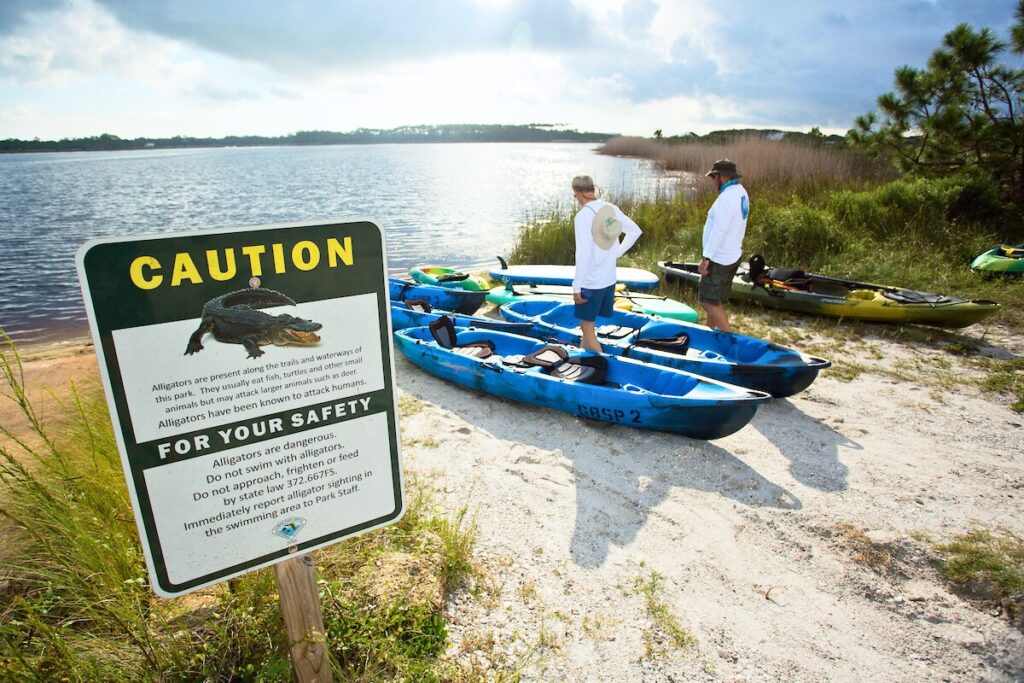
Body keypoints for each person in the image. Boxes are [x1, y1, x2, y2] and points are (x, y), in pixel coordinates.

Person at [570, 175, 643, 353]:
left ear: (577, 193)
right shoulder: (610, 208)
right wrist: (616, 253)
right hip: (609, 280)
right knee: (587, 329)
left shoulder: (583, 217)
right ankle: (582, 362)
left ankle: (601, 366)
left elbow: (583, 254)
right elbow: (635, 231)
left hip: (590, 282)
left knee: (588, 330)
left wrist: (576, 286)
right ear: (592, 190)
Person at [698, 159, 749, 332]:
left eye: (714, 177)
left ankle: (729, 338)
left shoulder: (727, 198)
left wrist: (707, 258)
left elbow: (719, 230)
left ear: (724, 176)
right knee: (716, 299)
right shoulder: (741, 192)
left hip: (719, 257)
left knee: (707, 301)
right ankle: (710, 333)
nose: (713, 181)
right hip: (732, 254)